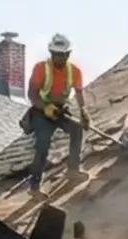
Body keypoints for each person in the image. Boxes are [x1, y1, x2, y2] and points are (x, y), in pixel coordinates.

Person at [24, 33, 88, 189]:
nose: (59, 58)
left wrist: (84, 112)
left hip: (60, 110)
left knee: (77, 129)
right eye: (56, 55)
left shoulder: (74, 71)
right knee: (43, 143)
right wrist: (45, 107)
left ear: (68, 54)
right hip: (41, 110)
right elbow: (32, 93)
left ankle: (73, 169)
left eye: (62, 55)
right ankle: (35, 186)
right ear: (51, 53)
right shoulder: (41, 68)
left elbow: (79, 92)